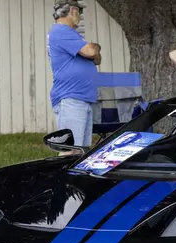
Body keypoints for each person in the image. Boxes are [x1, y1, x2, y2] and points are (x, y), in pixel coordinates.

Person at [48, 0, 102, 151]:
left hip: (81, 98)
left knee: (81, 152)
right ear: (72, 11)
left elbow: (97, 59)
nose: (81, 15)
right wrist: (94, 47)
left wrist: (93, 49)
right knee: (70, 151)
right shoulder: (61, 31)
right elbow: (92, 52)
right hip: (71, 99)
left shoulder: (72, 35)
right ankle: (60, 175)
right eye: (80, 11)